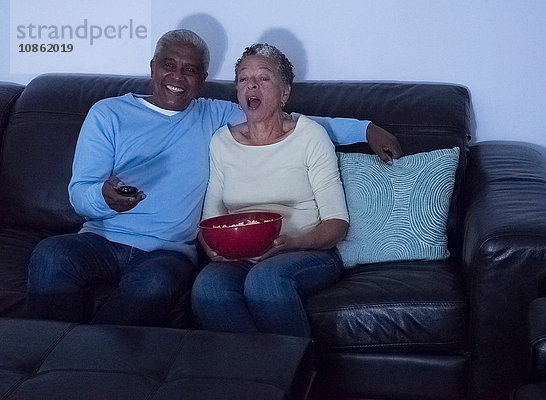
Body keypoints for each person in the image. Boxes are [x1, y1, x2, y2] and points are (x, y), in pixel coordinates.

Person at [26, 30, 401, 327]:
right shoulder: (109, 113)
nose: (177, 77)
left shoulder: (214, 116)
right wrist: (103, 197)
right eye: (168, 65)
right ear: (153, 67)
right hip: (101, 240)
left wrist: (366, 129)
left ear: (203, 80)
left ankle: (91, 360)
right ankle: (58, 359)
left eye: (189, 70)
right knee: (51, 254)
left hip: (166, 251)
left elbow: (292, 124)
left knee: (158, 284)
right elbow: (79, 194)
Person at [192, 43, 350, 337]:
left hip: (306, 250)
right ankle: (256, 377)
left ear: (284, 93)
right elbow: (211, 216)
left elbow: (337, 222)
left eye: (263, 78)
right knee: (208, 287)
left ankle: (295, 374)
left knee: (265, 281)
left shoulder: (310, 136)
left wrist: (293, 242)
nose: (252, 85)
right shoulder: (221, 143)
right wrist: (214, 249)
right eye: (243, 79)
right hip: (240, 254)